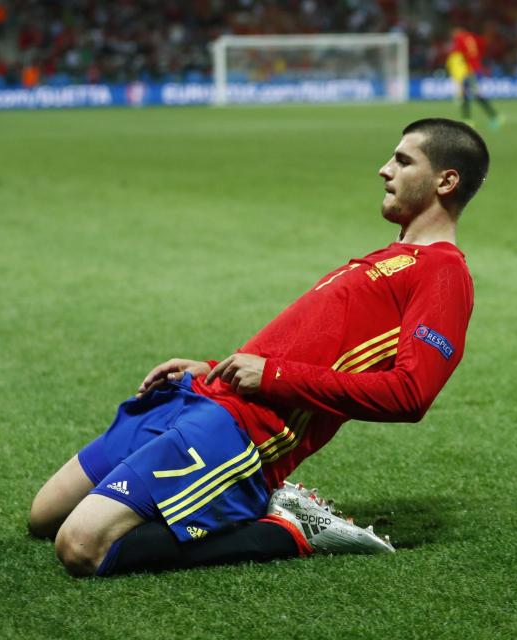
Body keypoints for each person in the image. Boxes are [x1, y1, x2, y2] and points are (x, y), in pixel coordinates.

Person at [28, 118, 489, 577]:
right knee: (45, 517)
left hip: (243, 430)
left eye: (403, 161)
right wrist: (209, 367)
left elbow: (410, 393)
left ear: (446, 181)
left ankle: (287, 530)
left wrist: (271, 377)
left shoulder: (443, 274)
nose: (384, 169)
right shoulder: (389, 258)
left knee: (81, 547)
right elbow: (299, 345)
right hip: (203, 397)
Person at [446, 27, 504, 130]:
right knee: (473, 93)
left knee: (468, 93)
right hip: (476, 68)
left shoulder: (460, 38)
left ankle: (472, 119)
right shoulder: (472, 37)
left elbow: (459, 55)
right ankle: (490, 117)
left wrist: (458, 73)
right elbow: (481, 47)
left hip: (469, 70)